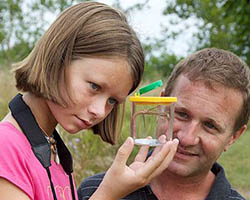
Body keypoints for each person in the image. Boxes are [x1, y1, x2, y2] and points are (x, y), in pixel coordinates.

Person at [0, 2, 179, 200]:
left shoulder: (53, 151)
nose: (100, 111)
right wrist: (107, 194)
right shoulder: (6, 148)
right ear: (58, 58)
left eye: (112, 101)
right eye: (94, 86)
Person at [78, 47, 250, 200]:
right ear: (161, 105)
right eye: (182, 114)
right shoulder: (94, 191)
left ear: (233, 137)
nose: (186, 138)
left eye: (210, 126)